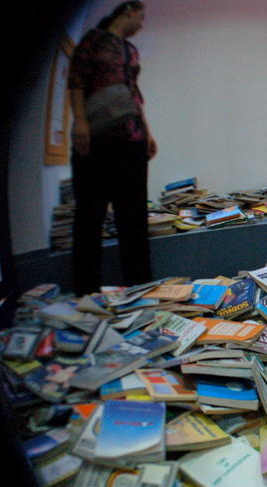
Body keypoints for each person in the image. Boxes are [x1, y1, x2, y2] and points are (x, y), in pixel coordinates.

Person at [68, 1, 155, 295]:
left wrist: (148, 132)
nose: (142, 24)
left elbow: (134, 95)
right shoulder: (93, 40)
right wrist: (80, 122)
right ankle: (85, 292)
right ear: (127, 11)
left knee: (134, 219)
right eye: (141, 17)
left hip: (132, 142)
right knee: (89, 218)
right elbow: (76, 81)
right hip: (96, 141)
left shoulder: (131, 50)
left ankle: (140, 287)